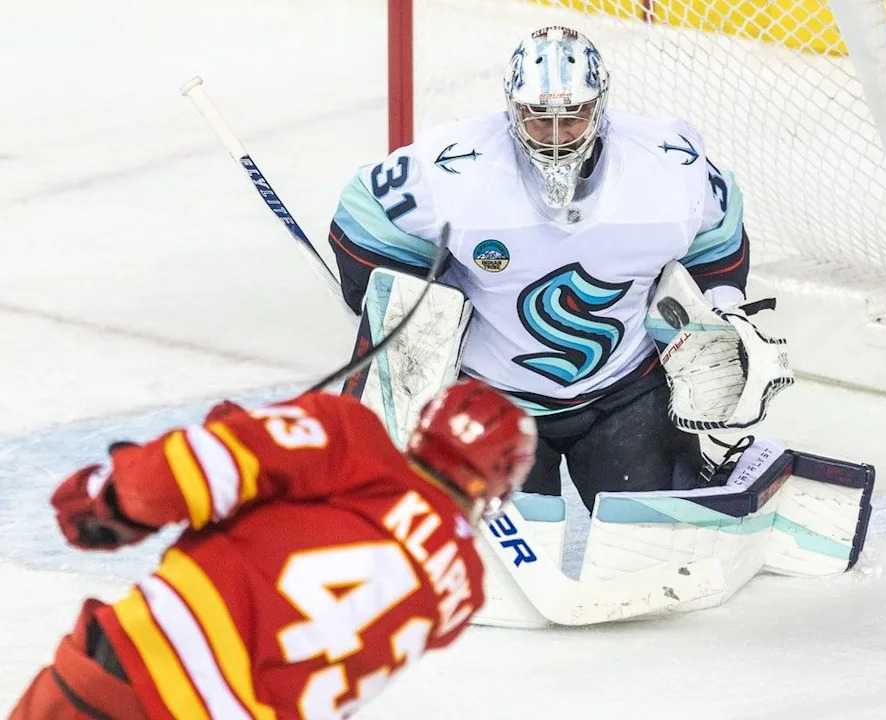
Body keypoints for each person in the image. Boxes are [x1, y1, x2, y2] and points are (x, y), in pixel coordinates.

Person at [327, 25, 749, 512]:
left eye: (572, 116)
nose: (555, 136)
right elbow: (362, 213)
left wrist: (724, 312)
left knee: (653, 546)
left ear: (599, 106)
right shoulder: (455, 169)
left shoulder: (668, 166)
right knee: (496, 571)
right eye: (537, 118)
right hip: (492, 400)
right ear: (512, 109)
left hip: (627, 390)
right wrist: (406, 310)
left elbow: (719, 235)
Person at [10, 380, 537, 720]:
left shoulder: (354, 439)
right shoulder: (462, 591)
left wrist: (113, 498)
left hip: (141, 669)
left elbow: (205, 466)